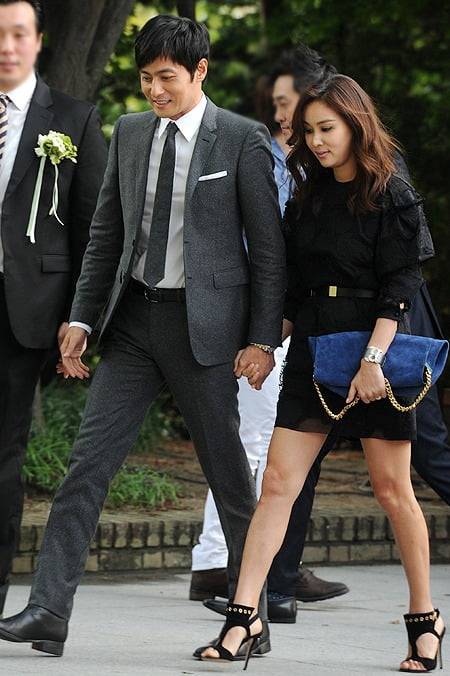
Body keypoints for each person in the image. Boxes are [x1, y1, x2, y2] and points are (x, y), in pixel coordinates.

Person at [0, 14, 285, 656]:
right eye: (145, 78)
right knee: (86, 467)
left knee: (228, 479)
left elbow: (269, 251)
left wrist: (262, 339)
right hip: (132, 323)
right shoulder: (129, 132)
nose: (154, 90)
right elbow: (106, 234)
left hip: (204, 331)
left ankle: (252, 616)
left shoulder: (241, 139)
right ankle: (48, 609)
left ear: (200, 72)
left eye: (166, 77)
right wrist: (81, 317)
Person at [198, 74, 446, 672]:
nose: (315, 141)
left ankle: (424, 617)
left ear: (356, 125)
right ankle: (244, 617)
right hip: (313, 351)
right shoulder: (307, 196)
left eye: (326, 128)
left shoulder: (391, 193)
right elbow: (292, 287)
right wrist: (265, 344)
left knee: (393, 492)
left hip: (375, 353)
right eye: (308, 131)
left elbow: (400, 288)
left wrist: (373, 362)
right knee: (277, 485)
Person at [191, 70, 348, 625]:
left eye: (292, 105)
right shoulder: (265, 157)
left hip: (294, 320)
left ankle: (253, 565)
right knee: (254, 442)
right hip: (265, 318)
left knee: (263, 445)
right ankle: (229, 564)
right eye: (280, 104)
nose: (283, 115)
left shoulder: (312, 168)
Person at [0, 0, 107, 616]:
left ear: (38, 40)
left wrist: (79, 317)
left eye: (18, 34)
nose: (7, 46)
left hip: (23, 314)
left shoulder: (72, 119)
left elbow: (95, 231)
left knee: (3, 456)